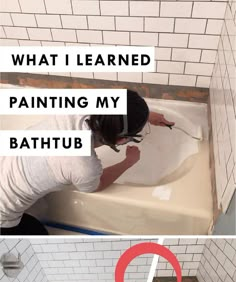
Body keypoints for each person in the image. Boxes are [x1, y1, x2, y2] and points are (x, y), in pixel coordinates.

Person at [0, 89, 174, 235]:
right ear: (122, 140)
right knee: (39, 235)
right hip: (3, 213)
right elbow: (96, 185)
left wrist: (143, 116)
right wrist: (128, 162)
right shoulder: (83, 166)